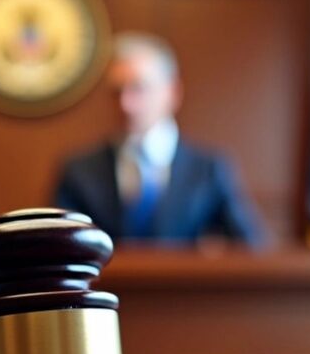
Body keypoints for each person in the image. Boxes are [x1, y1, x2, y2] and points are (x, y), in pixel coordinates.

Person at [53, 33, 267, 246]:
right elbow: (58, 248)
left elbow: (253, 249)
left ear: (172, 92)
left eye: (138, 88)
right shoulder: (78, 170)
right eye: (116, 92)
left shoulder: (208, 169)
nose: (125, 104)